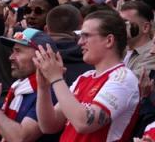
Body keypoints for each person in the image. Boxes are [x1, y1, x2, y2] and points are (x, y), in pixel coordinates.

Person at [34, 10, 139, 140]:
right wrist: (43, 88)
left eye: (86, 36)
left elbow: (84, 123)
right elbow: (49, 126)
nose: (79, 43)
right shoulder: (84, 77)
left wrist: (56, 78)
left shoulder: (123, 79)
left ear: (109, 40)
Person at [0, 29, 57, 142]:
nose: (11, 57)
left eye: (18, 51)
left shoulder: (49, 91)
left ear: (41, 55)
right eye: (12, 51)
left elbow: (21, 138)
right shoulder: (18, 89)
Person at [119, 0, 155, 80]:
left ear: (145, 28)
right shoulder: (120, 50)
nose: (119, 26)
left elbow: (126, 83)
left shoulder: (151, 54)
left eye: (125, 23)